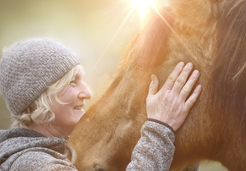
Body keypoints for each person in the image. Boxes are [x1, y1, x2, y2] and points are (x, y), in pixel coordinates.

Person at [0, 39, 201, 171]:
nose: (87, 93)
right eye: (72, 82)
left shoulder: (58, 152)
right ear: (40, 98)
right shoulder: (33, 165)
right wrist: (160, 127)